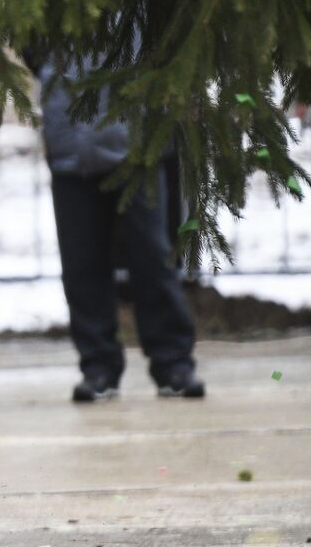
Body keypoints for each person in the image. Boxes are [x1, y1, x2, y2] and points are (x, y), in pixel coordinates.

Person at [38, 55, 205, 402]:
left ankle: (173, 362)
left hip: (138, 147)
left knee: (153, 256)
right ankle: (98, 366)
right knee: (82, 264)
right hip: (72, 148)